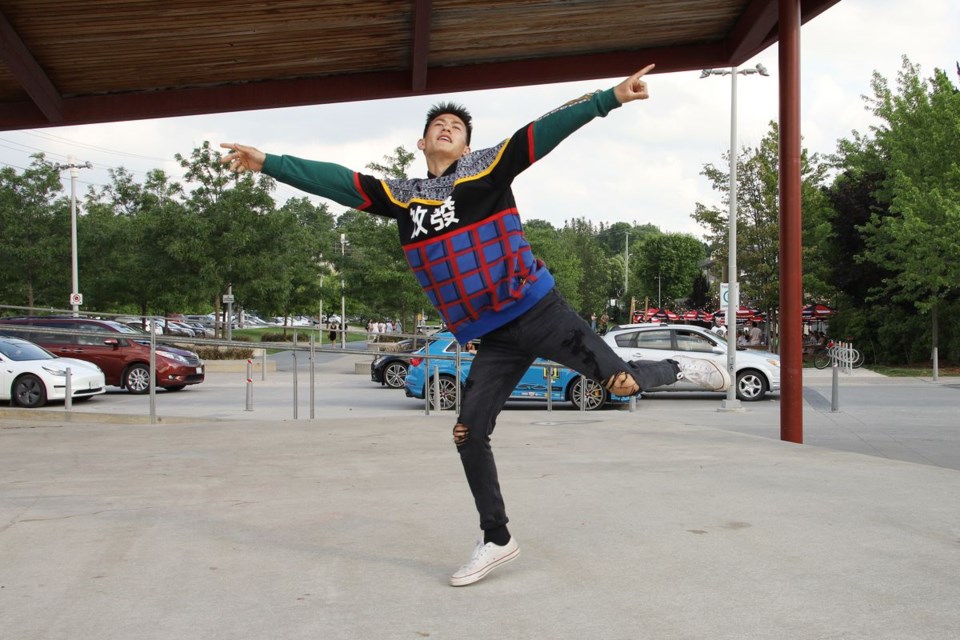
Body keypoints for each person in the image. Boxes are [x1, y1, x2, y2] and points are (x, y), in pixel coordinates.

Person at [220, 64, 730, 587]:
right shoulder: (402, 197)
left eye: (457, 127)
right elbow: (337, 182)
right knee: (467, 432)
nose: (447, 128)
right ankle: (497, 538)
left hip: (541, 311)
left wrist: (609, 98)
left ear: (466, 146)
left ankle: (674, 366)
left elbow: (542, 131)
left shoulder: (486, 169)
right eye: (437, 124)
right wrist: (266, 163)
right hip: (495, 335)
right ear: (421, 143)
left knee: (621, 385)